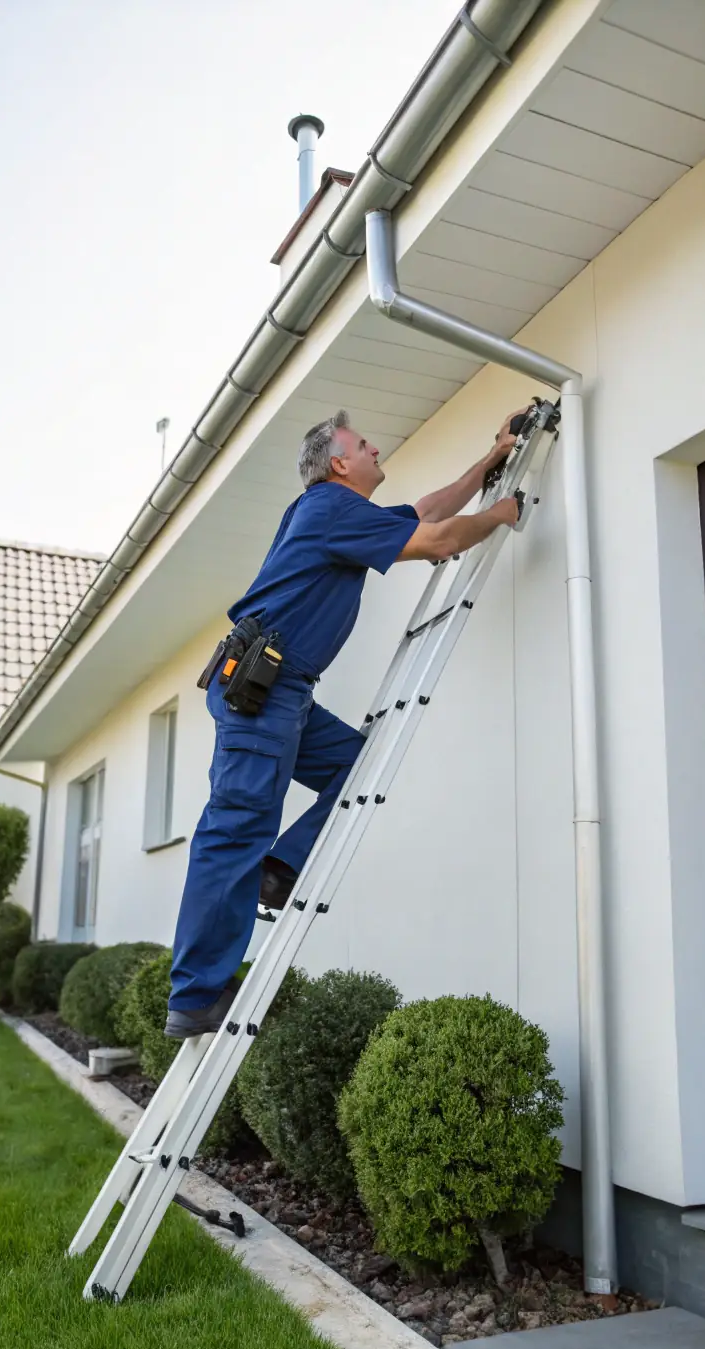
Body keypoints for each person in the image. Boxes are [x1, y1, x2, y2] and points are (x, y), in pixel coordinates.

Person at [164, 406, 525, 1037]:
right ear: (339, 463)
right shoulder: (329, 508)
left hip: (285, 692)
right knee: (235, 831)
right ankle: (195, 995)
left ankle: (282, 869)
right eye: (364, 444)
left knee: (357, 765)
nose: (375, 447)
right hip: (261, 691)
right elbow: (437, 541)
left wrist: (492, 460)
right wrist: (503, 514)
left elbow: (426, 513)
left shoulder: (340, 513)